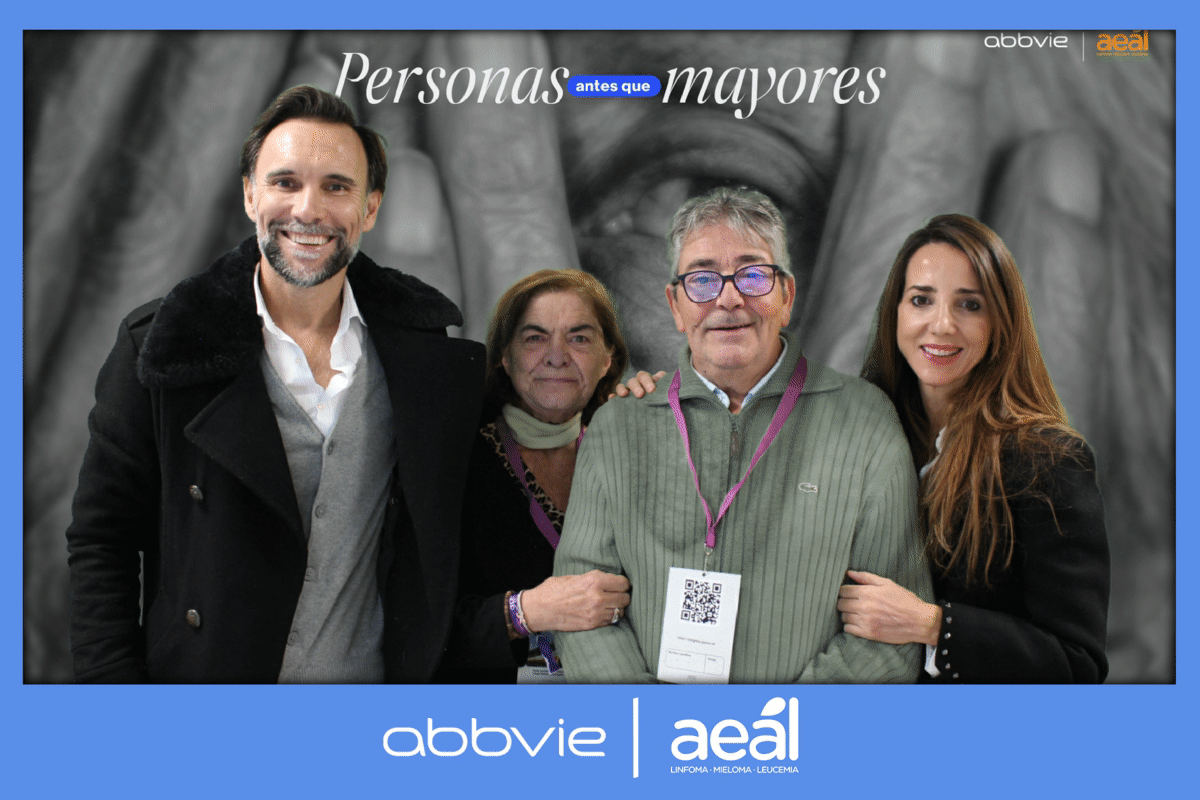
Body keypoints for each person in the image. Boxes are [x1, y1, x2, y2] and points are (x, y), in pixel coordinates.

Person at [65, 86, 485, 683]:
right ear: (250, 195)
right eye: (285, 182)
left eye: (337, 186)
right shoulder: (158, 347)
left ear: (370, 208)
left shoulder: (426, 356)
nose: (309, 210)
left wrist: (629, 397)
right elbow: (101, 542)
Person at [552, 187, 932, 683]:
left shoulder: (864, 419)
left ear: (786, 296)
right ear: (675, 306)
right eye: (703, 279)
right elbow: (580, 609)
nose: (729, 297)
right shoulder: (618, 424)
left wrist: (771, 732)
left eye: (753, 274)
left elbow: (890, 628)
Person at [836, 214, 1110, 682]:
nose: (941, 325)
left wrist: (933, 626)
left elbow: (1076, 664)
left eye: (970, 305)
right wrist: (667, 404)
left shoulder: (1050, 462)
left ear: (999, 323)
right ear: (896, 312)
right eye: (922, 299)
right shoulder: (856, 435)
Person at [439, 270, 632, 683]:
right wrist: (524, 612)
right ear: (506, 357)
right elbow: (421, 631)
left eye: (579, 338)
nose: (557, 355)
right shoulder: (453, 464)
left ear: (608, 359)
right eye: (534, 338)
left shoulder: (628, 457)